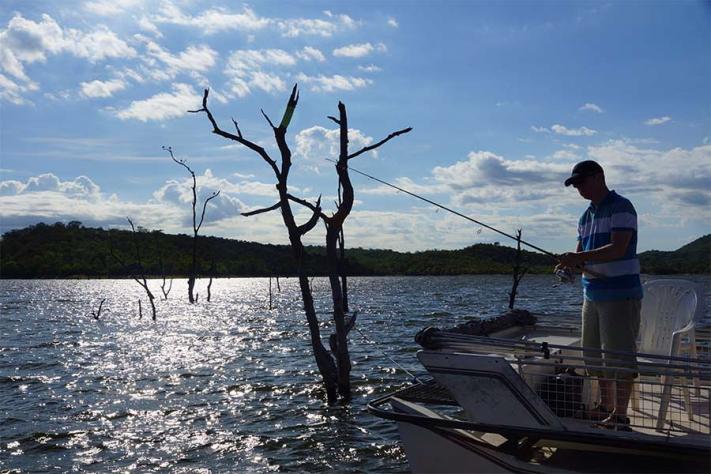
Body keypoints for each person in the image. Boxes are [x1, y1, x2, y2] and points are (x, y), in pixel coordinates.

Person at [556, 160, 643, 430]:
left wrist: (578, 257)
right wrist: (568, 265)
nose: (578, 188)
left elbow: (618, 249)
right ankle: (605, 407)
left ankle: (620, 415)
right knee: (593, 355)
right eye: (575, 185)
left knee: (618, 356)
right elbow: (580, 255)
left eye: (582, 182)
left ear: (599, 176)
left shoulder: (622, 206)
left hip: (619, 293)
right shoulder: (585, 217)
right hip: (591, 294)